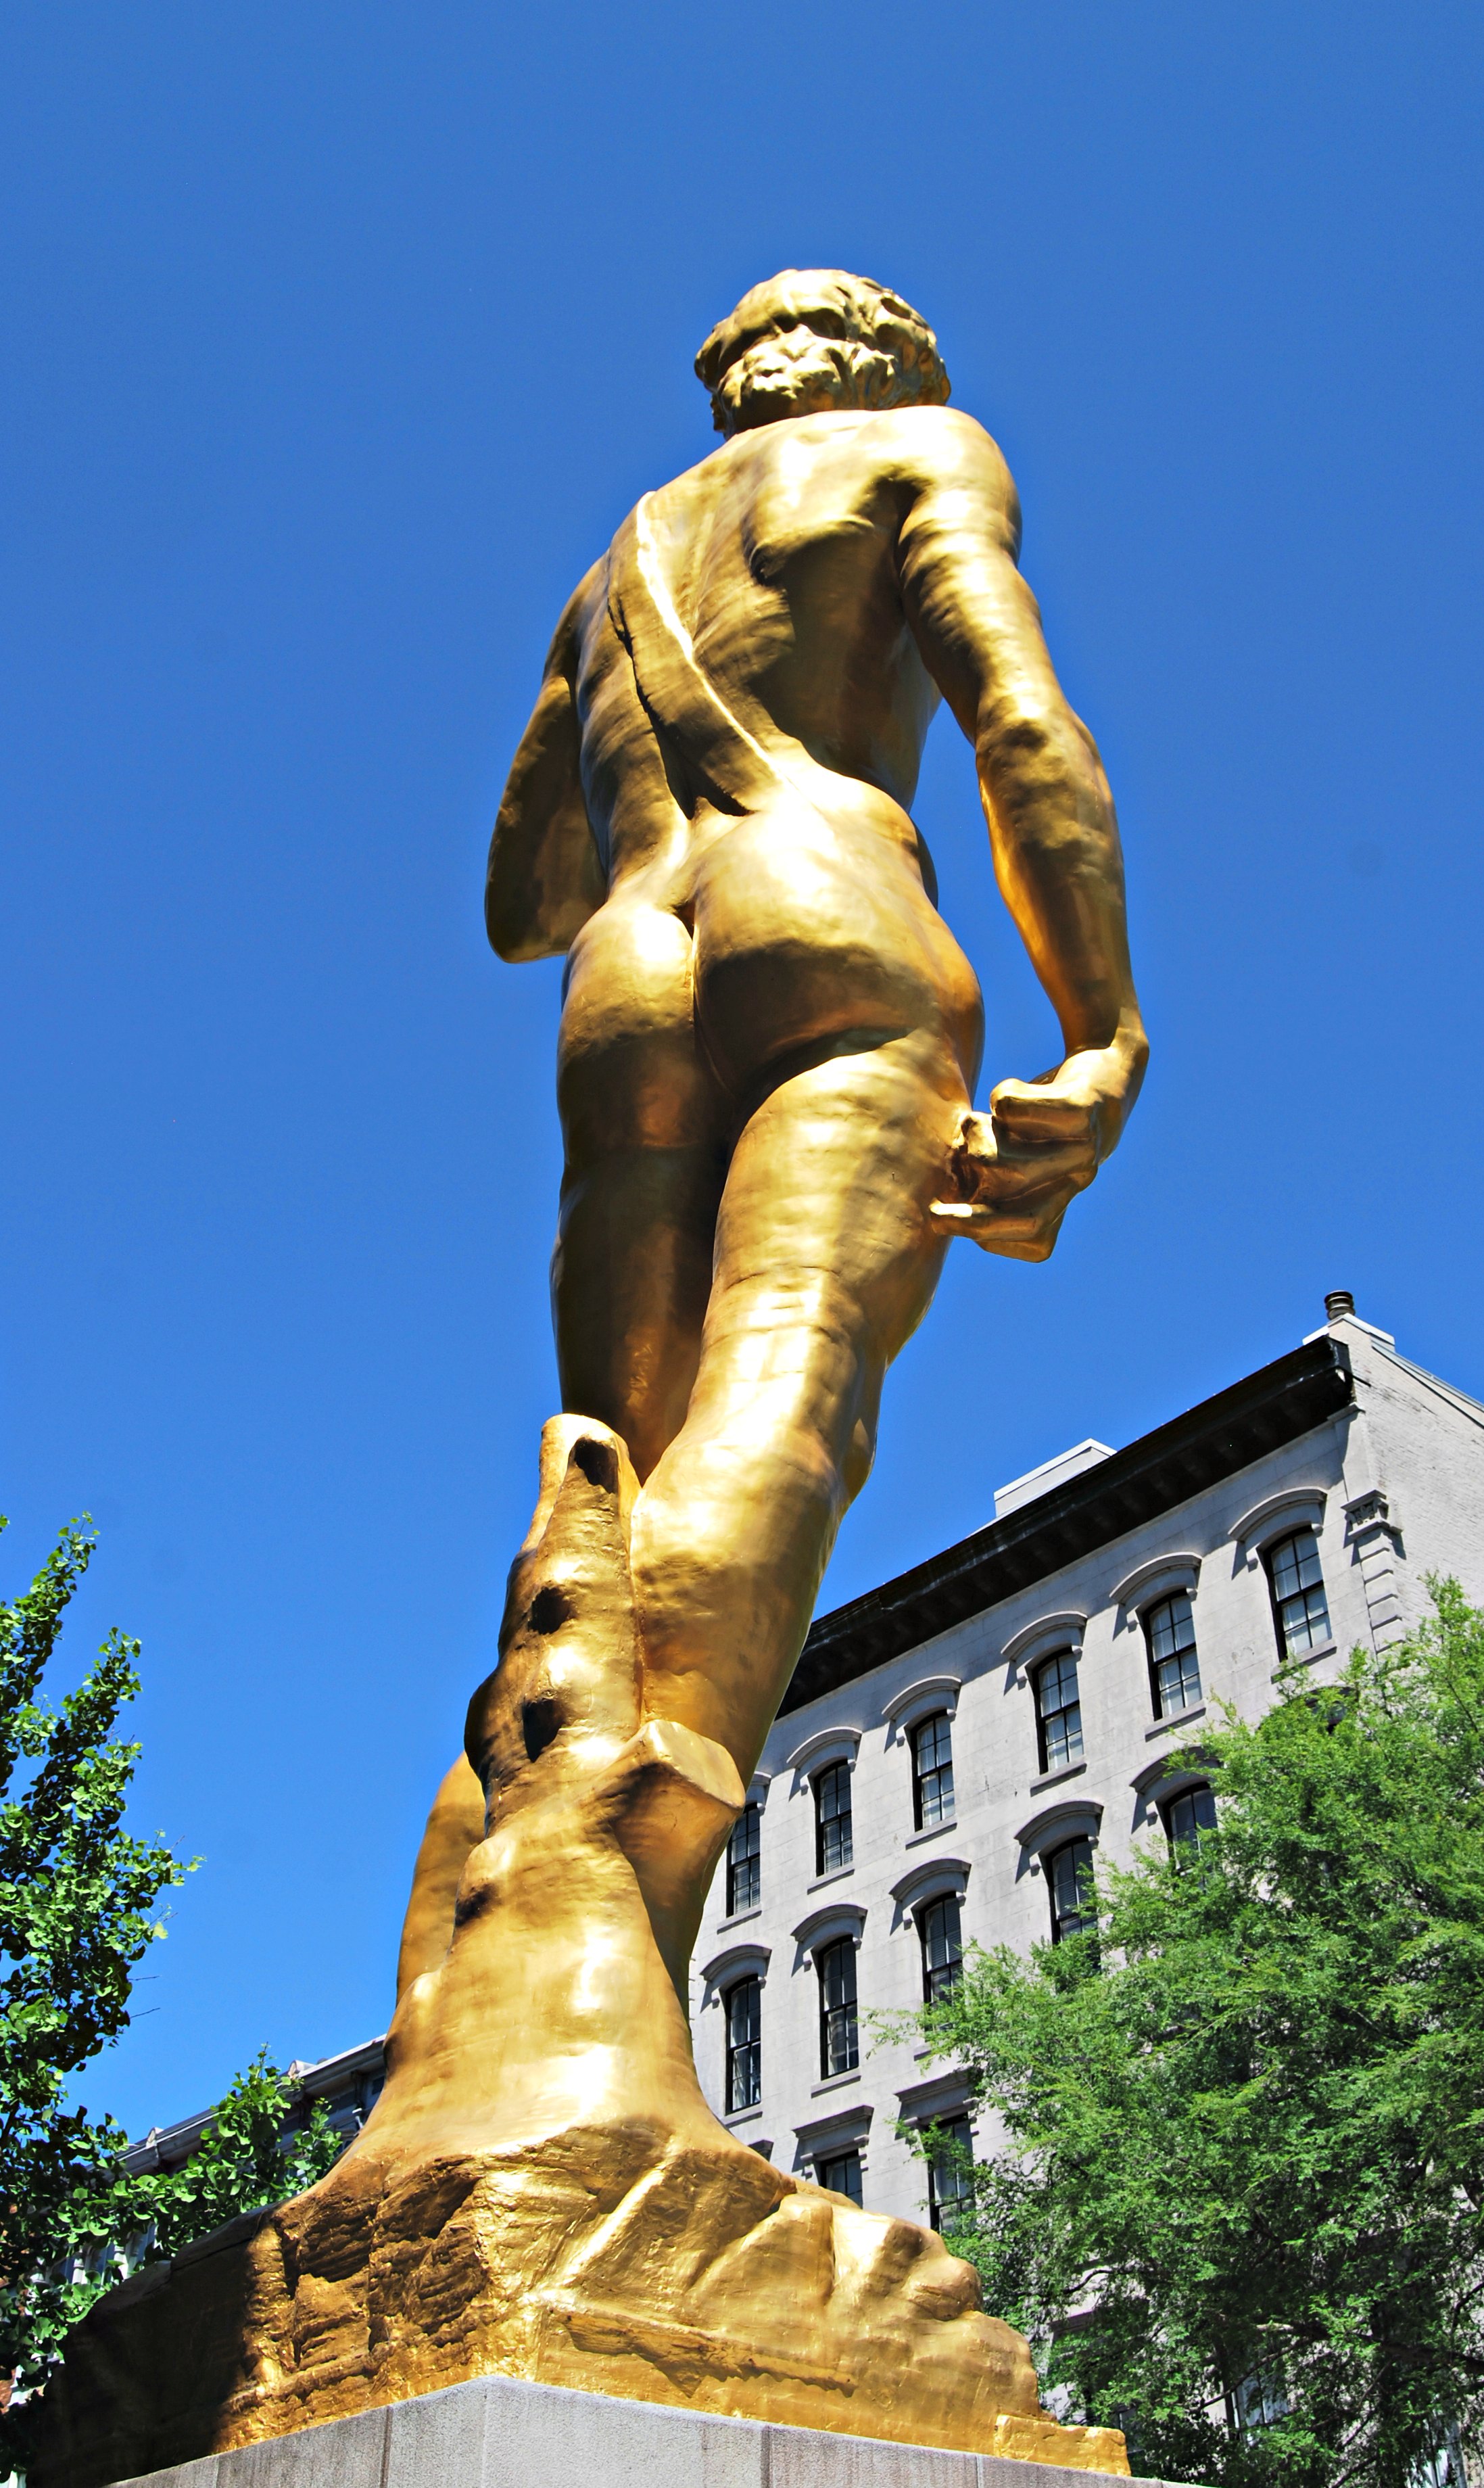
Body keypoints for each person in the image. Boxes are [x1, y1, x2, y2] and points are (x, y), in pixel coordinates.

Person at [485, 268, 1147, 1791]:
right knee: (792, 1382)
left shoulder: (616, 570)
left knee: (610, 1471)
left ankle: (518, 1850)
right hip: (822, 893)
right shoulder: (921, 449)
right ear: (890, 362)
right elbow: (1023, 725)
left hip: (626, 962)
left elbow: (523, 902)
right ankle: (605, 1870)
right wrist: (1102, 1031)